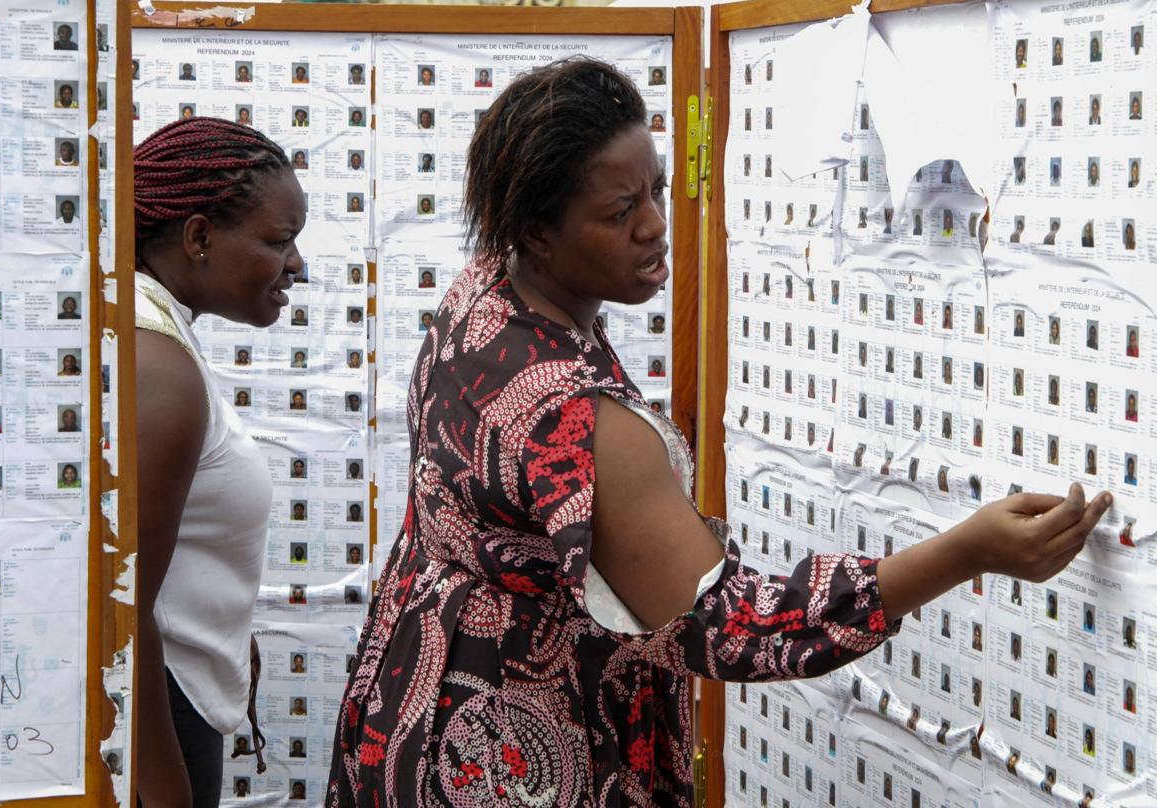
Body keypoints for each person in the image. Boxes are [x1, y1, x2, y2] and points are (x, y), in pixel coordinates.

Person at [324, 58, 1112, 807]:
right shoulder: (584, 423)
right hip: (519, 752)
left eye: (657, 191)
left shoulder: (480, 301)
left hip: (416, 701)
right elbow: (728, 626)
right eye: (619, 211)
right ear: (536, 231)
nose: (657, 227)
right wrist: (965, 552)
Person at [133, 117, 304, 807]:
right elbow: (123, 615)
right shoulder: (158, 366)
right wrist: (166, 791)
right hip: (157, 719)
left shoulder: (159, 334)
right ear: (199, 237)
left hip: (180, 698)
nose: (298, 264)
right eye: (278, 240)